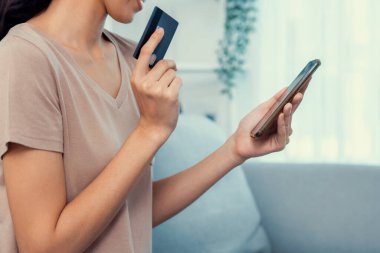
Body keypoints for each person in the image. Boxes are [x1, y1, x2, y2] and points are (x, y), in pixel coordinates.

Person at [0, 0, 308, 252]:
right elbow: (43, 246)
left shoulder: (132, 62)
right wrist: (150, 130)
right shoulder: (25, 57)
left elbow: (130, 210)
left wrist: (234, 150)